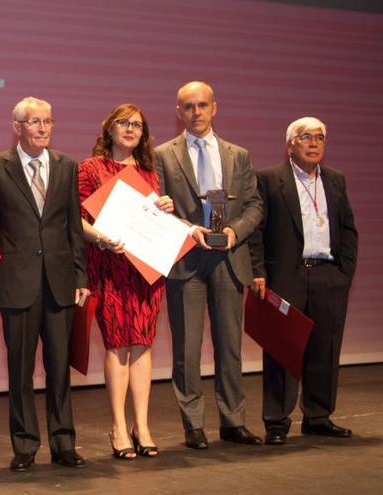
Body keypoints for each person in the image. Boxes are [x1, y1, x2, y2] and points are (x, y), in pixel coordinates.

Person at [0, 97, 90, 472]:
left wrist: (81, 275)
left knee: (60, 367)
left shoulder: (66, 166)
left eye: (47, 121)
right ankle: (24, 445)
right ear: (17, 127)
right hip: (16, 284)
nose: (42, 128)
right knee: (20, 370)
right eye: (34, 122)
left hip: (59, 283)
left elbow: (73, 226)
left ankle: (64, 443)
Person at [153, 81, 264, 449]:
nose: (196, 112)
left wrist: (234, 232)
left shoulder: (238, 154)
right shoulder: (162, 155)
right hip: (186, 259)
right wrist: (190, 229)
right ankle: (193, 425)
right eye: (188, 106)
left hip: (230, 258)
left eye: (202, 105)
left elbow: (255, 206)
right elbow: (157, 209)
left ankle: (233, 421)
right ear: (178, 112)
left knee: (230, 347)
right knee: (186, 348)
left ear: (215, 107)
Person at [250, 117, 358, 445]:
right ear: (289, 145)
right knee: (282, 349)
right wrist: (258, 271)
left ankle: (318, 416)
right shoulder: (269, 179)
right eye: (305, 137)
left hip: (327, 275)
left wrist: (343, 275)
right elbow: (256, 231)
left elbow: (348, 230)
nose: (313, 143)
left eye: (319, 137)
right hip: (286, 274)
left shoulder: (336, 180)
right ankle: (277, 422)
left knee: (325, 348)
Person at [77, 104, 173, 459]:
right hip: (109, 266)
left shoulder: (149, 172)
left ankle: (142, 425)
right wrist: (99, 237)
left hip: (145, 268)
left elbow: (153, 222)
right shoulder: (90, 168)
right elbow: (75, 217)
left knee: (143, 345)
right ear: (109, 128)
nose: (131, 129)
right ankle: (119, 426)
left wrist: (165, 208)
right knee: (118, 344)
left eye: (137, 124)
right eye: (124, 123)